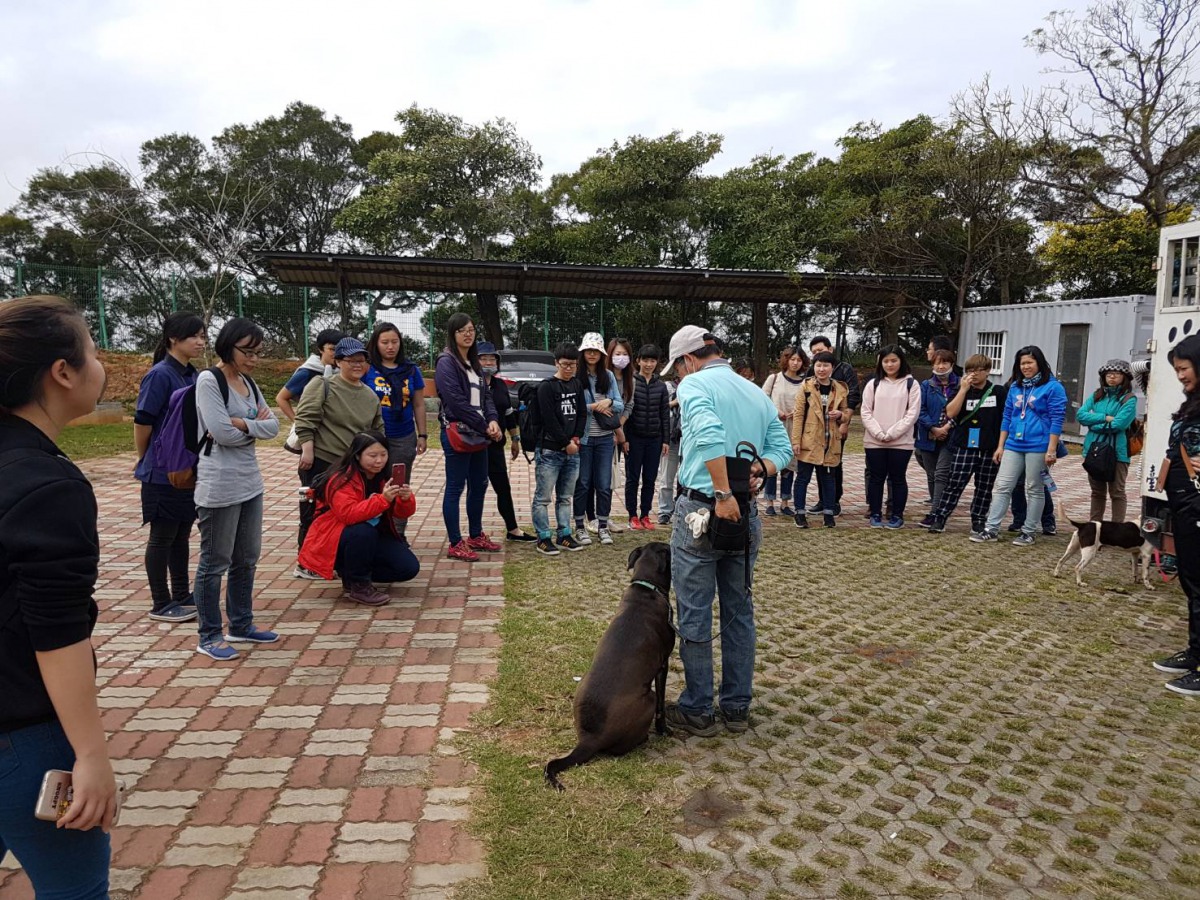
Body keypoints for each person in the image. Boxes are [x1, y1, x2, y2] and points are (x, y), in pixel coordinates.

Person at [0, 296, 118, 897]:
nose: (99, 365)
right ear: (62, 371)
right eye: (93, 351)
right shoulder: (47, 485)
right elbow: (57, 631)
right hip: (24, 729)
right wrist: (90, 754)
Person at [663, 326, 792, 737]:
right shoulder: (753, 390)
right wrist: (757, 469)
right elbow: (782, 449)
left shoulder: (694, 385)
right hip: (746, 511)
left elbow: (707, 435)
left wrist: (722, 491)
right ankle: (736, 707)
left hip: (703, 507)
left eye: (678, 370)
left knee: (695, 612)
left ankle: (698, 708)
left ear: (687, 360)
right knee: (739, 612)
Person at [193, 318, 280, 660]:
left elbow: (273, 426)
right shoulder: (208, 380)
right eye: (248, 352)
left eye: (258, 353)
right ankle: (209, 634)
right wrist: (251, 428)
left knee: (246, 559)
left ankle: (241, 625)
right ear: (228, 345)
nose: (253, 359)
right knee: (215, 562)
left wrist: (243, 423)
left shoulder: (248, 382)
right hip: (219, 484)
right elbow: (220, 432)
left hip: (250, 482)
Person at [133, 311, 206, 623]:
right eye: (195, 336)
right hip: (161, 471)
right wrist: (147, 458)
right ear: (174, 339)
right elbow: (143, 421)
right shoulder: (160, 375)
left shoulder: (192, 374)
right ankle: (160, 602)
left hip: (185, 469)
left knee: (180, 534)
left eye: (204, 336)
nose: (201, 342)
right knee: (162, 536)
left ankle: (181, 594)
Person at [298, 431, 420, 606]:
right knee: (362, 531)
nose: (379, 460)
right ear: (357, 456)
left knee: (407, 568)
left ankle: (350, 572)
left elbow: (401, 514)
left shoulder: (385, 476)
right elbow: (349, 515)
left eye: (383, 454)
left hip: (373, 534)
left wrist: (405, 498)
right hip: (336, 535)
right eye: (372, 455)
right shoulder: (341, 478)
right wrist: (383, 499)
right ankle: (359, 585)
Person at [292, 337, 384, 556]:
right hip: (322, 461)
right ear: (338, 362)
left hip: (352, 467)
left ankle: (336, 558)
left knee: (344, 514)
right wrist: (307, 450)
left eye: (361, 360)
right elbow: (305, 418)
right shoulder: (322, 385)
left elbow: (377, 430)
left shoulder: (370, 395)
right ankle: (307, 559)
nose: (357, 365)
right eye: (350, 360)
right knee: (314, 513)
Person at [972, 345, 1068, 547]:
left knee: (1034, 488)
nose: (1026, 367)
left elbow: (1057, 419)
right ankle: (991, 528)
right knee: (1002, 485)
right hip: (1014, 444)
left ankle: (1029, 531)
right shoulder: (1015, 387)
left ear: (1039, 363)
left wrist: (1051, 449)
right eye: (1022, 363)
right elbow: (1007, 416)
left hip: (1039, 445)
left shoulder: (1053, 387)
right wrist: (1001, 446)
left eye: (1030, 362)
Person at [1151, 334, 1200, 696]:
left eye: (1183, 369)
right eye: (1177, 370)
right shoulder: (1192, 403)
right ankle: (1195, 652)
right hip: (1184, 502)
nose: (1180, 376)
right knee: (1191, 579)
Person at [435, 314, 503, 562]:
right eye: (462, 330)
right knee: (455, 487)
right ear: (453, 334)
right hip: (459, 433)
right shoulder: (446, 362)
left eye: (471, 329)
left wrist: (493, 420)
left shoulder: (473, 362)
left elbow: (486, 397)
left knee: (480, 484)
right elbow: (456, 402)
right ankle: (455, 542)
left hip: (479, 433)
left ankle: (475, 535)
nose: (468, 334)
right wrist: (485, 426)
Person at [927, 354, 1007, 536]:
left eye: (979, 370)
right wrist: (963, 390)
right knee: (955, 483)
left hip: (989, 447)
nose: (974, 374)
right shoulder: (960, 391)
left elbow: (1005, 419)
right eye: (970, 370)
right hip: (964, 446)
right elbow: (950, 413)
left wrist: (1001, 446)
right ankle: (941, 517)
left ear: (988, 371)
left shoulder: (998, 392)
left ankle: (978, 519)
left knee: (985, 486)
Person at [365, 322, 427, 540]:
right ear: (376, 344)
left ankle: (397, 535)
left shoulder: (411, 370)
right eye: (385, 342)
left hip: (404, 435)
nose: (390, 347)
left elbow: (419, 404)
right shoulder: (367, 368)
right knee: (372, 484)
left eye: (394, 342)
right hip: (375, 438)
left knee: (399, 486)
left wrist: (422, 434)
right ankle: (373, 532)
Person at [477, 342, 536, 542]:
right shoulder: (471, 384)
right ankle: (474, 533)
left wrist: (515, 438)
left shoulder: (500, 384)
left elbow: (508, 413)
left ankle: (513, 529)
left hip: (496, 447)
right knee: (477, 489)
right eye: (484, 358)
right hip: (475, 446)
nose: (488, 362)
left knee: (503, 487)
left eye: (492, 359)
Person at [532, 342, 587, 556]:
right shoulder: (547, 386)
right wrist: (565, 443)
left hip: (573, 449)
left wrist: (576, 437)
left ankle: (564, 533)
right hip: (550, 451)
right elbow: (549, 419)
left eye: (573, 364)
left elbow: (582, 413)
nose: (569, 368)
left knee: (566, 496)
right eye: (565, 364)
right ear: (556, 363)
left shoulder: (576, 385)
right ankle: (543, 537)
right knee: (543, 497)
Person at [572, 332, 625, 544]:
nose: (592, 354)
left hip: (604, 438)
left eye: (596, 350)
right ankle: (579, 525)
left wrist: (609, 403)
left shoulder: (608, 376)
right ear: (583, 352)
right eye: (588, 350)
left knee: (604, 484)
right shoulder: (576, 375)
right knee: (583, 483)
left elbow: (620, 404)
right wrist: (593, 406)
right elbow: (573, 408)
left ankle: (603, 525)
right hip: (583, 438)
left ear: (602, 353)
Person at [861, 346, 921, 528]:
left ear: (901, 361)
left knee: (898, 478)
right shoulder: (874, 384)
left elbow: (912, 414)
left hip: (901, 442)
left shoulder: (912, 384)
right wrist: (879, 433)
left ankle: (897, 515)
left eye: (893, 360)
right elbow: (865, 411)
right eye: (886, 361)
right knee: (876, 478)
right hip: (874, 441)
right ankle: (876, 513)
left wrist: (892, 433)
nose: (890, 364)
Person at [790, 351, 850, 528]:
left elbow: (846, 413)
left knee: (828, 479)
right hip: (809, 440)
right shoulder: (806, 387)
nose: (822, 369)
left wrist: (840, 415)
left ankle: (829, 513)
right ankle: (799, 513)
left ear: (832, 368)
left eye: (825, 365)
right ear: (813, 367)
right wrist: (796, 441)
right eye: (818, 365)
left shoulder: (840, 388)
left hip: (830, 441)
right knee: (803, 478)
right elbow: (798, 415)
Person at [1077, 359, 1138, 523]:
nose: (1111, 377)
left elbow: (1119, 424)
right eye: (1108, 374)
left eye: (1116, 374)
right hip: (1094, 450)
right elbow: (1080, 415)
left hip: (1117, 451)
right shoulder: (1097, 395)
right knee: (1097, 491)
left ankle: (1117, 528)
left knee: (1117, 491)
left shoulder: (1129, 399)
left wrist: (1093, 425)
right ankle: (1095, 526)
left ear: (1124, 377)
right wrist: (1104, 418)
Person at [585, 337, 636, 534]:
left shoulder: (630, 379)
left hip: (614, 433)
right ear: (609, 354)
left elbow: (626, 406)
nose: (621, 358)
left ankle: (603, 518)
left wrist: (618, 429)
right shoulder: (601, 376)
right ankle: (592, 518)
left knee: (607, 478)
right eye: (617, 354)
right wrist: (617, 431)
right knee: (588, 479)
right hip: (599, 432)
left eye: (625, 354)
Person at [807, 336, 860, 515]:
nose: (818, 355)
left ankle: (834, 500)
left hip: (836, 425)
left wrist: (845, 422)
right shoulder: (811, 371)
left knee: (834, 463)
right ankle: (823, 500)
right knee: (818, 463)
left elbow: (853, 396)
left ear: (830, 349)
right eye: (814, 353)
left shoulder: (844, 369)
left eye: (820, 350)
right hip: (817, 428)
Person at [624, 344, 671, 532]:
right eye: (645, 360)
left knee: (650, 479)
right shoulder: (631, 383)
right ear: (638, 361)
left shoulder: (661, 387)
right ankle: (632, 515)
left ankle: (645, 514)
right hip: (634, 438)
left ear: (657, 363)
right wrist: (625, 439)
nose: (649, 364)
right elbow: (626, 412)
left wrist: (665, 440)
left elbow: (664, 414)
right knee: (632, 478)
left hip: (655, 439)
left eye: (652, 360)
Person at [914, 349, 960, 525]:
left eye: (945, 363)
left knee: (942, 473)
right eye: (937, 363)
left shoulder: (960, 385)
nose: (941, 367)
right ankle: (937, 505)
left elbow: (961, 411)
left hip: (951, 436)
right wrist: (933, 428)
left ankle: (935, 513)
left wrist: (947, 427)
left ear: (951, 364)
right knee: (932, 474)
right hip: (928, 435)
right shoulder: (926, 385)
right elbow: (919, 410)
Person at [761, 347, 807, 516]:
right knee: (772, 464)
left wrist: (799, 412)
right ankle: (769, 502)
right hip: (775, 427)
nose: (795, 363)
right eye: (792, 359)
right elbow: (762, 399)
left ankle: (785, 502)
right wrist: (776, 412)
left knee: (790, 466)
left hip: (795, 429)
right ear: (786, 360)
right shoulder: (774, 379)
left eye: (799, 360)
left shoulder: (805, 383)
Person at [275, 328, 345, 420]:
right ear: (320, 349)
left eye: (340, 349)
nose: (336, 353)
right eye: (332, 349)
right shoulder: (307, 372)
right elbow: (281, 398)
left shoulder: (342, 371)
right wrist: (296, 422)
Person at [657, 373, 683, 526]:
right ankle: (664, 511)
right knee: (667, 477)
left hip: (688, 438)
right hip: (670, 438)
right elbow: (660, 407)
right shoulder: (667, 387)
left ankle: (680, 509)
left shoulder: (698, 385)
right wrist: (676, 402)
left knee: (686, 479)